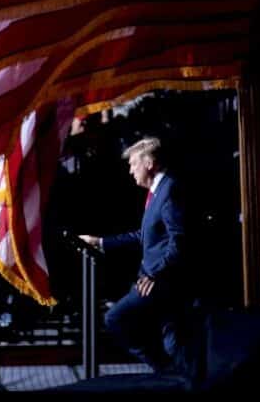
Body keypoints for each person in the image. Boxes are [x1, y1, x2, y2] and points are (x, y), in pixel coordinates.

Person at [79, 137, 189, 373]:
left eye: (133, 164)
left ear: (149, 163)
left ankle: (167, 371)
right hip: (154, 280)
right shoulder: (157, 192)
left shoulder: (169, 190)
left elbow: (179, 241)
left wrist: (156, 275)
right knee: (173, 340)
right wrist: (100, 242)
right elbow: (145, 235)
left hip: (157, 283)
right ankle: (179, 377)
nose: (130, 170)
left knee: (115, 319)